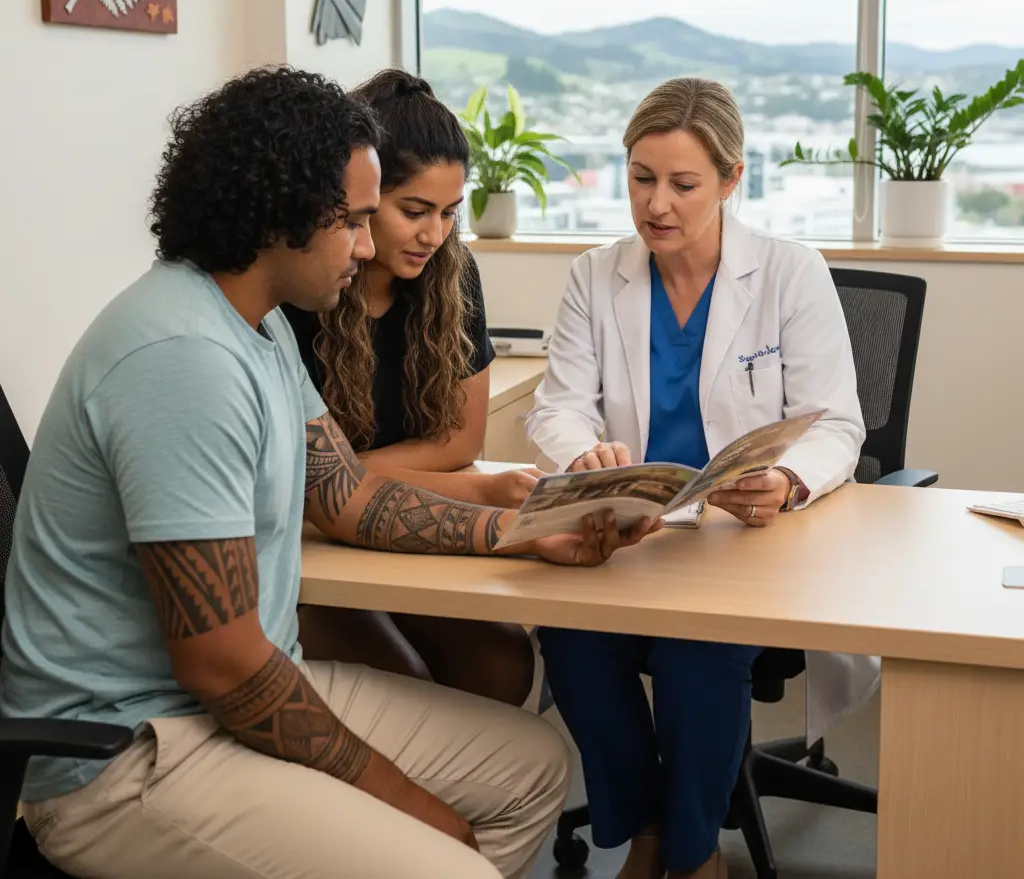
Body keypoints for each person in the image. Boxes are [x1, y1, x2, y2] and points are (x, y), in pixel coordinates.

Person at [0, 67, 656, 879]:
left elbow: (347, 499)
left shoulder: (261, 327)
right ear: (280, 214)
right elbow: (223, 663)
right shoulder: (183, 360)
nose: (368, 243)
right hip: (131, 756)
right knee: (455, 859)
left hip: (225, 706)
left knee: (532, 770)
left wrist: (520, 534)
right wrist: (416, 809)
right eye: (351, 221)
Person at [526, 77, 873, 879]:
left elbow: (839, 425)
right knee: (573, 641)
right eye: (641, 178)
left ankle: (688, 859)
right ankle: (645, 829)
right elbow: (557, 409)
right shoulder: (595, 274)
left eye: (683, 184)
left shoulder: (790, 273)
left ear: (730, 180)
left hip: (743, 545)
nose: (657, 205)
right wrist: (584, 456)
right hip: (634, 539)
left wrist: (785, 480)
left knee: (698, 651)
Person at [282, 69, 537, 708]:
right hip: (308, 555)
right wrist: (334, 490)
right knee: (405, 682)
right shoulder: (302, 291)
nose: (435, 234)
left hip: (379, 526)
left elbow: (459, 439)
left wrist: (343, 481)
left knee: (502, 661)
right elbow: (293, 489)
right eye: (414, 211)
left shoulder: (452, 274)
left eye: (450, 212)